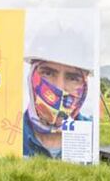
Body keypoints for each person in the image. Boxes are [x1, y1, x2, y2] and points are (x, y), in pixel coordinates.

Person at [22, 26, 94, 159]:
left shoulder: (93, 134)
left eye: (72, 78)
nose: (59, 88)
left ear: (85, 85)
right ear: (31, 77)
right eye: (48, 73)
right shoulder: (9, 136)